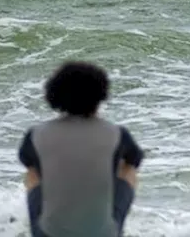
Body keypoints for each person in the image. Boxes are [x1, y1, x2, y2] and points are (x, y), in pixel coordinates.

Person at [18, 61, 144, 237]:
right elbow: (135, 159)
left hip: (48, 233)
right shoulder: (116, 134)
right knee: (128, 169)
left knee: (33, 173)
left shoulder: (36, 134)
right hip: (102, 233)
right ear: (100, 94)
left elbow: (26, 160)